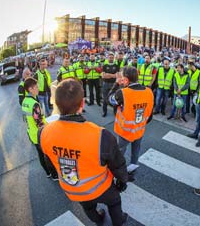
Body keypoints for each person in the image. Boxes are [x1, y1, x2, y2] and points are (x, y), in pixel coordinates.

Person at [39, 79, 129, 226]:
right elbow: (117, 164)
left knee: (88, 207)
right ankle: (118, 222)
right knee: (114, 202)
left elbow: (50, 163)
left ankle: (98, 219)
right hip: (102, 188)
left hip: (73, 190)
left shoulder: (43, 133)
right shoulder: (101, 135)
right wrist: (122, 180)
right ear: (82, 104)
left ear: (55, 103)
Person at [108, 67, 154, 174]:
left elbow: (109, 99)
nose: (122, 80)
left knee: (120, 152)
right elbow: (150, 115)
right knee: (136, 150)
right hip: (139, 129)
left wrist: (116, 84)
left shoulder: (122, 93)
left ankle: (118, 172)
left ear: (127, 80)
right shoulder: (149, 91)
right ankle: (133, 169)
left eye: (123, 78)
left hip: (125, 132)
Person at [21, 77, 57, 180]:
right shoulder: (34, 104)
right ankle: (54, 175)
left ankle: (47, 173)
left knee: (40, 155)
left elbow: (25, 119)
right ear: (30, 89)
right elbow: (40, 123)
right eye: (36, 87)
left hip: (32, 134)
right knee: (48, 155)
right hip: (40, 134)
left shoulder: (24, 101)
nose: (38, 88)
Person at [101, 53, 119, 117]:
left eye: (112, 57)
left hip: (114, 84)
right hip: (105, 84)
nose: (111, 58)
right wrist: (113, 75)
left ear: (113, 58)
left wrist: (108, 74)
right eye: (110, 57)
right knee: (105, 99)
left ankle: (115, 112)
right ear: (107, 58)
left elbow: (117, 76)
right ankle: (104, 112)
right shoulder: (104, 66)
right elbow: (103, 76)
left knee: (114, 98)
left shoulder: (116, 66)